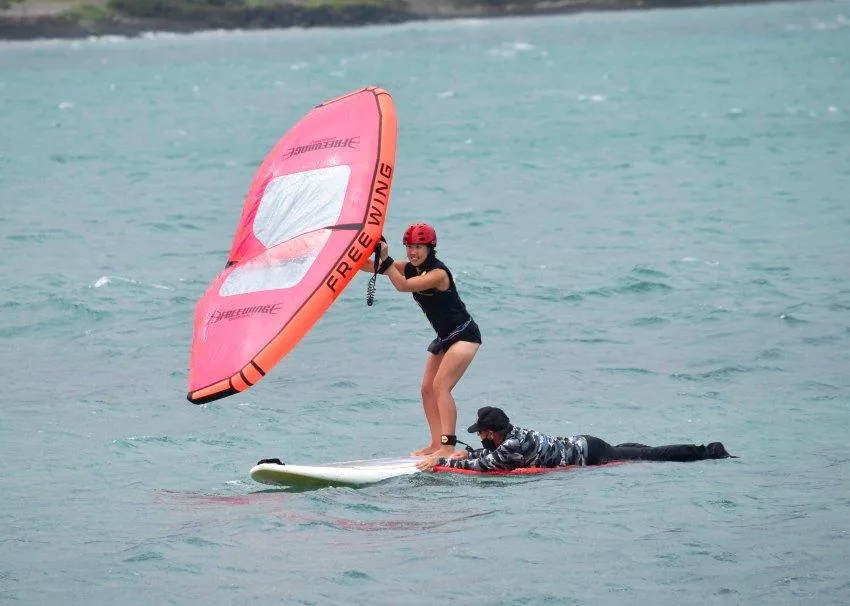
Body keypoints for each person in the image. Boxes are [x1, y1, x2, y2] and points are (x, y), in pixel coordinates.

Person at [373, 223, 482, 458]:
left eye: (419, 247)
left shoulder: (438, 273)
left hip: (464, 335)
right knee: (426, 390)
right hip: (444, 338)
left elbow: (402, 286)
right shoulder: (410, 267)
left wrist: (386, 260)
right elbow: (374, 267)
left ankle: (448, 446)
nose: (413, 252)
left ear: (431, 247)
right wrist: (356, 253)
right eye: (409, 246)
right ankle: (435, 444)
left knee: (441, 387)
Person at [416, 406, 734, 472]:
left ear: (494, 432)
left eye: (483, 433)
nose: (481, 437)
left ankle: (706, 452)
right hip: (584, 443)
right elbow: (484, 458)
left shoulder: (511, 446)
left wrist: (443, 460)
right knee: (637, 451)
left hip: (588, 453)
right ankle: (700, 450)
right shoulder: (514, 434)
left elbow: (484, 466)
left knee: (646, 457)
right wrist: (463, 454)